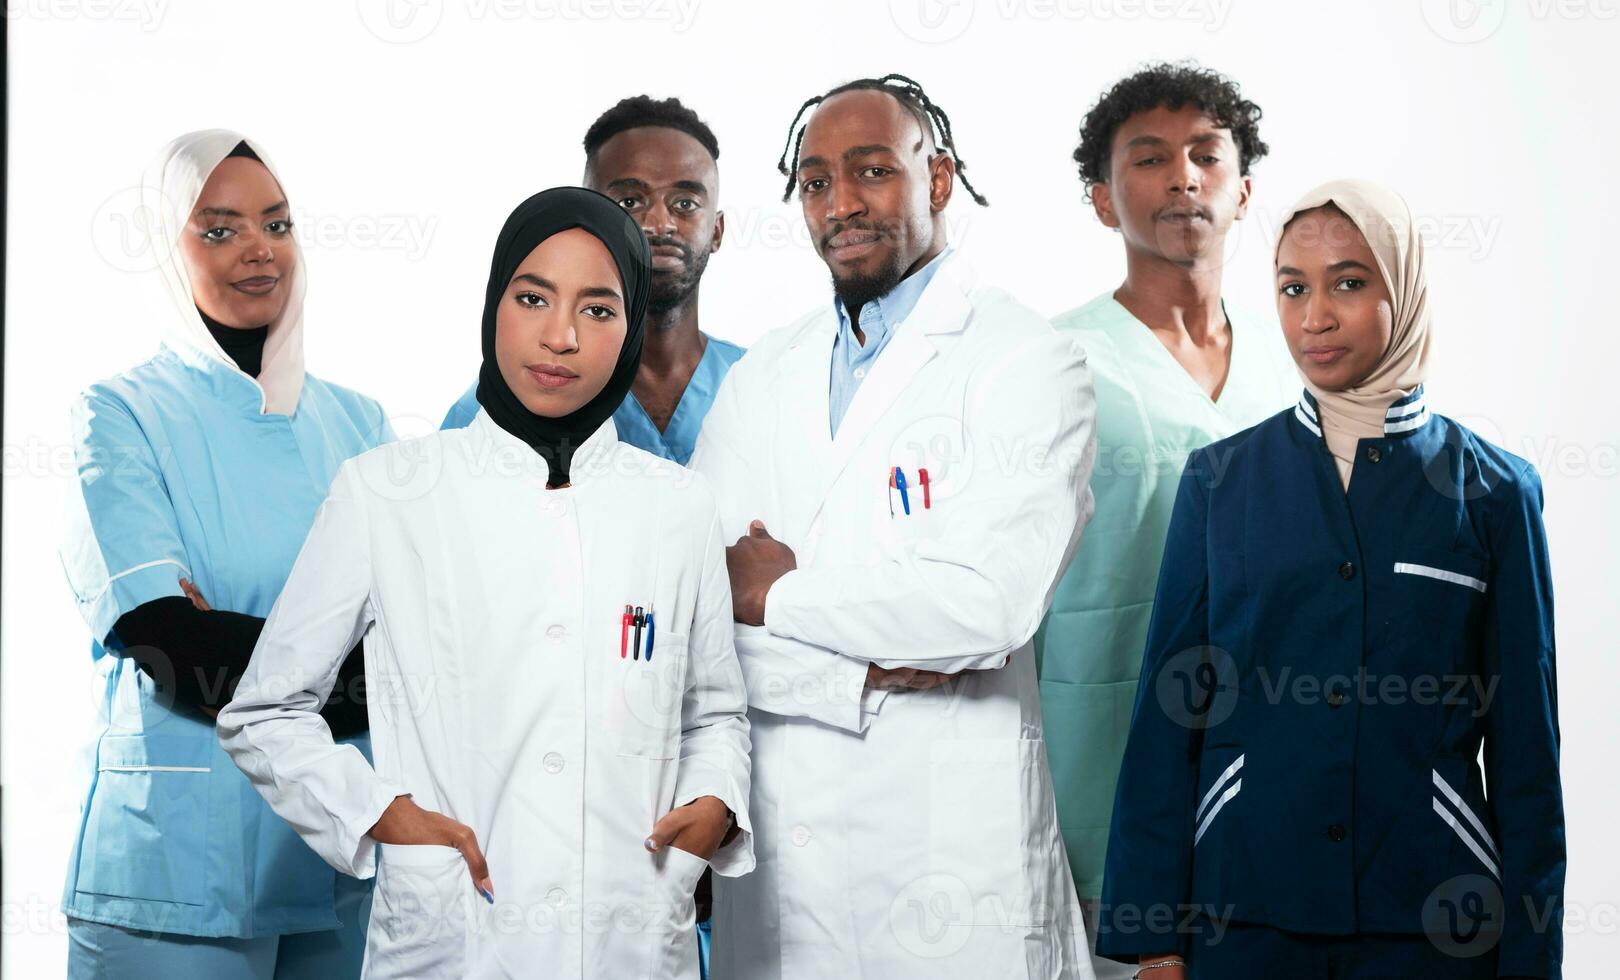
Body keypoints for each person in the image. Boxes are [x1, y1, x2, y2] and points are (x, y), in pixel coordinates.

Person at [218, 187, 754, 980]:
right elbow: (264, 710)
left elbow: (715, 713)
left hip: (632, 935)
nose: (561, 336)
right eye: (532, 297)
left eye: (600, 310)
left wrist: (714, 804)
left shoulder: (678, 507)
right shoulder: (386, 492)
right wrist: (376, 814)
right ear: (493, 301)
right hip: (457, 937)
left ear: (633, 326)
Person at [1097, 179, 1565, 979]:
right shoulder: (1219, 481)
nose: (1314, 316)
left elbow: (1527, 752)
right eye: (1292, 288)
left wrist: (1531, 959)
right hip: (1243, 910)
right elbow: (1169, 719)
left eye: (1349, 282)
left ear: (1403, 287)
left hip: (1432, 920)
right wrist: (1154, 938)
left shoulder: (1492, 492)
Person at [691, 74, 1099, 979]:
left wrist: (778, 592)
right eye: (815, 182)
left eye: (871, 171)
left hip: (952, 863)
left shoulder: (1025, 361)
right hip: (786, 867)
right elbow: (696, 610)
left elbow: (983, 609)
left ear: (939, 179)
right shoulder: (764, 374)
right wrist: (862, 670)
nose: (841, 204)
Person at [59, 129, 389, 978]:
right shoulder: (120, 415)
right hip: (175, 876)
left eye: (277, 224)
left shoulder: (360, 426)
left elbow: (417, 654)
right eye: (218, 229)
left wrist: (253, 648)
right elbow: (174, 647)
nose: (259, 251)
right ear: (167, 248)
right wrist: (342, 667)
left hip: (334, 861)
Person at [1031, 63, 1294, 978]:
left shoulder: (1297, 364)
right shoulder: (1052, 360)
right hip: (1100, 762)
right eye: (1148, 158)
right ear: (1104, 201)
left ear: (1244, 189)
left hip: (1271, 751)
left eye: (1205, 155)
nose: (1182, 176)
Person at [442, 96, 742, 466]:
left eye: (685, 204)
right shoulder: (489, 412)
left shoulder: (765, 383)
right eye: (629, 202)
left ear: (717, 230)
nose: (659, 224)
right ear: (585, 217)